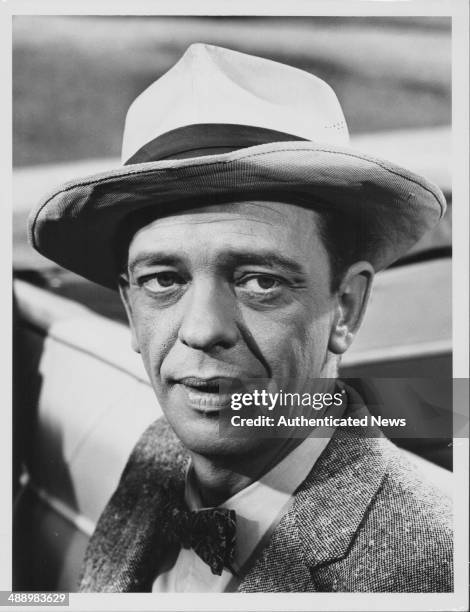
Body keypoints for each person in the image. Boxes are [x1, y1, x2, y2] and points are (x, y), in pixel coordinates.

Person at [28, 44, 452, 593]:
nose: (203, 330)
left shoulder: (431, 568)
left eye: (260, 281)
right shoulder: (161, 449)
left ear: (346, 307)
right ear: (131, 311)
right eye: (163, 280)